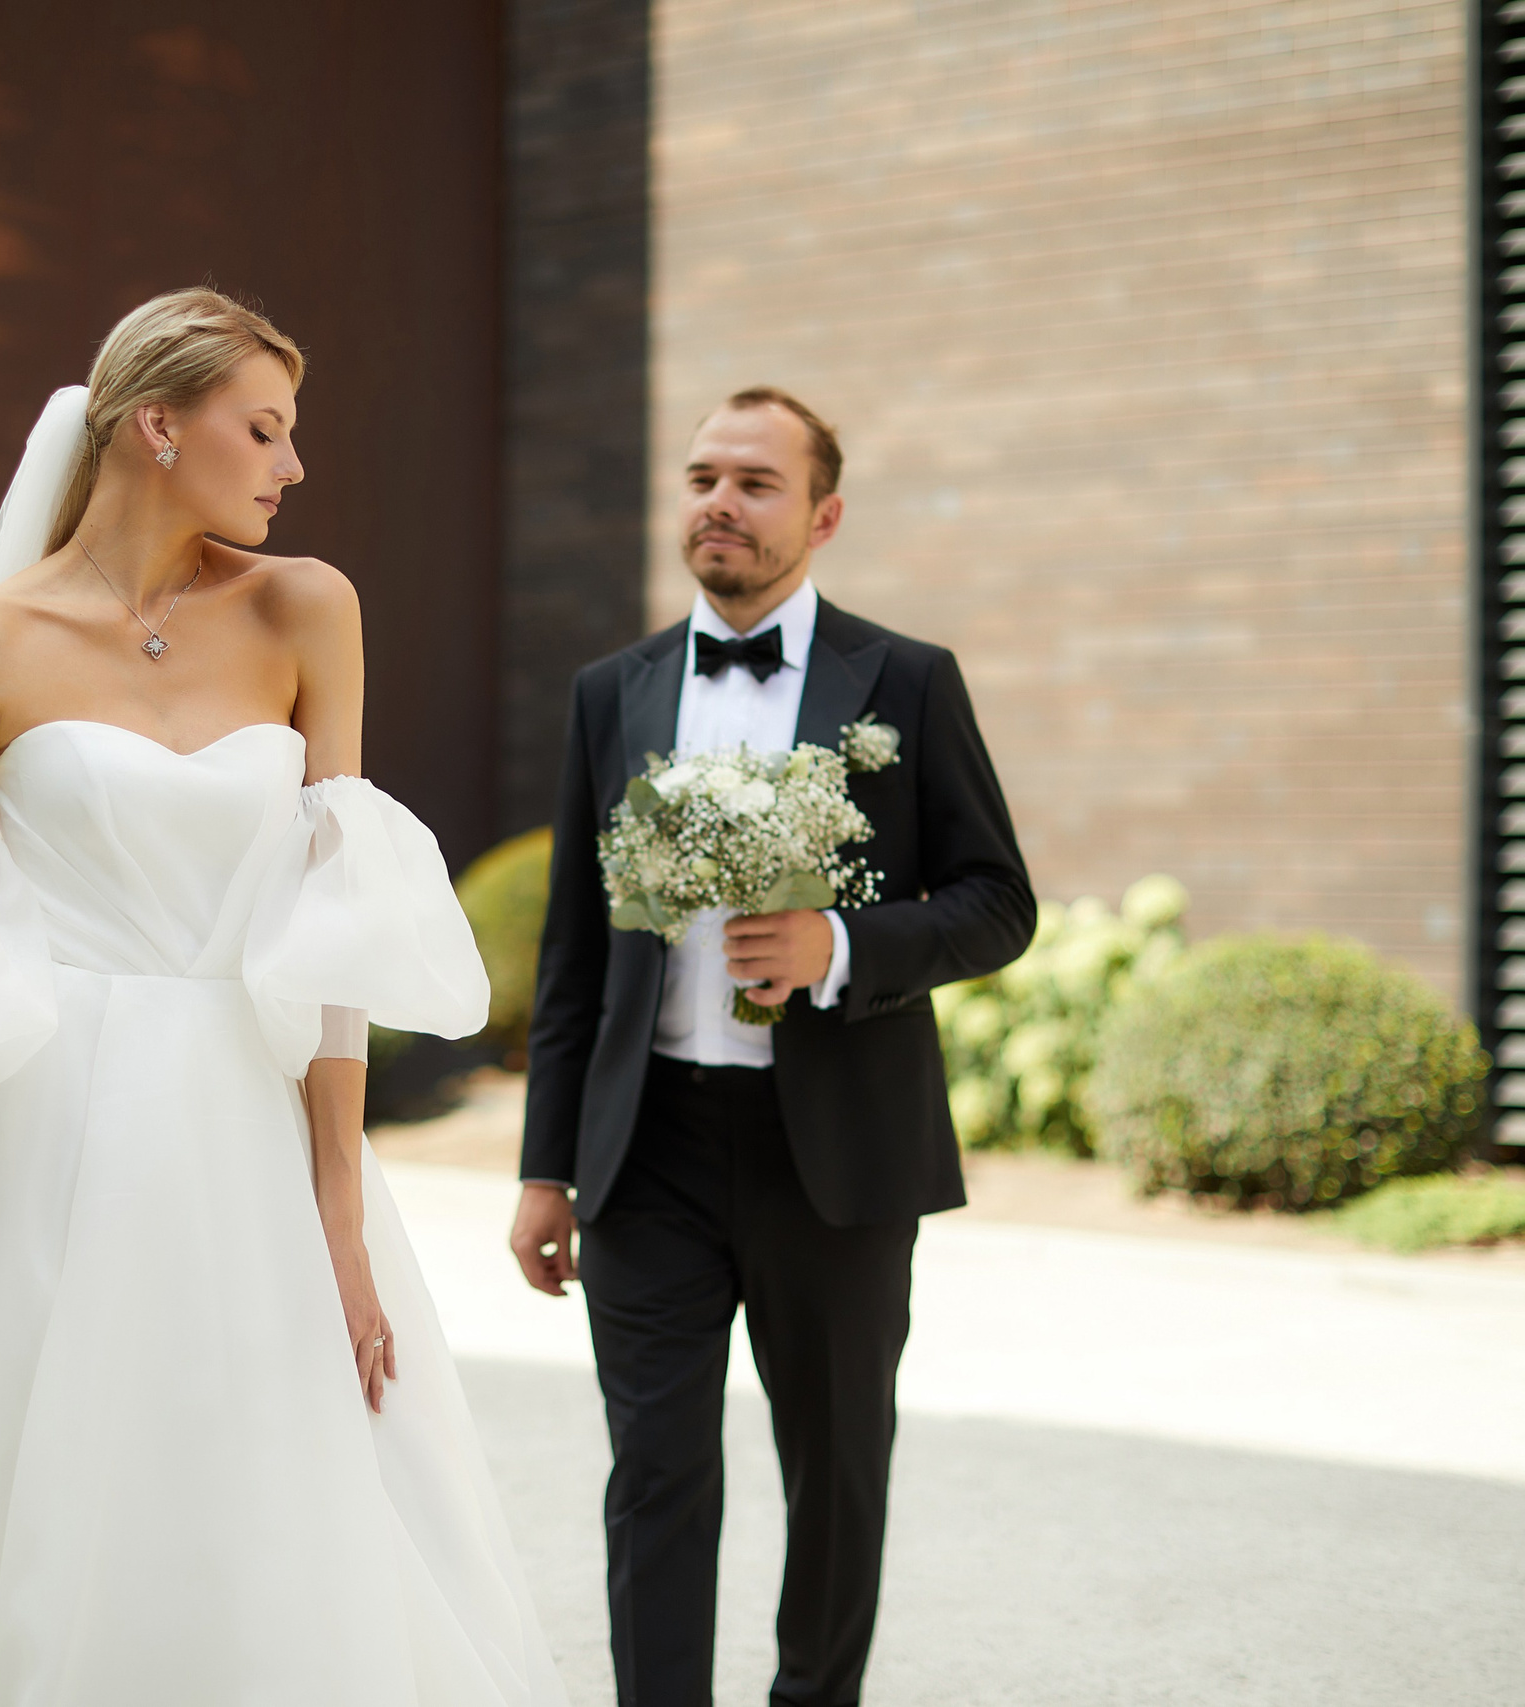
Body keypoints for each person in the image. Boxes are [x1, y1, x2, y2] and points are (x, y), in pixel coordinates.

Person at [0, 288, 568, 1706]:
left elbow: (333, 935)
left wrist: (340, 1215)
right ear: (156, 427)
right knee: (59, 1506)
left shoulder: (308, 608)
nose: (293, 465)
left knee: (284, 1498)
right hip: (40, 1133)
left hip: (247, 1130)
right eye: (265, 428)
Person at [510, 388, 1034, 1707]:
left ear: (824, 515)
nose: (720, 503)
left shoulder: (907, 682)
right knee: (656, 1474)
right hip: (648, 1151)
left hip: (837, 1156)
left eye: (755, 482)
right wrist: (545, 1168)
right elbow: (574, 954)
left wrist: (839, 946)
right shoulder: (610, 692)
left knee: (837, 1471)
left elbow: (998, 903)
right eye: (702, 478)